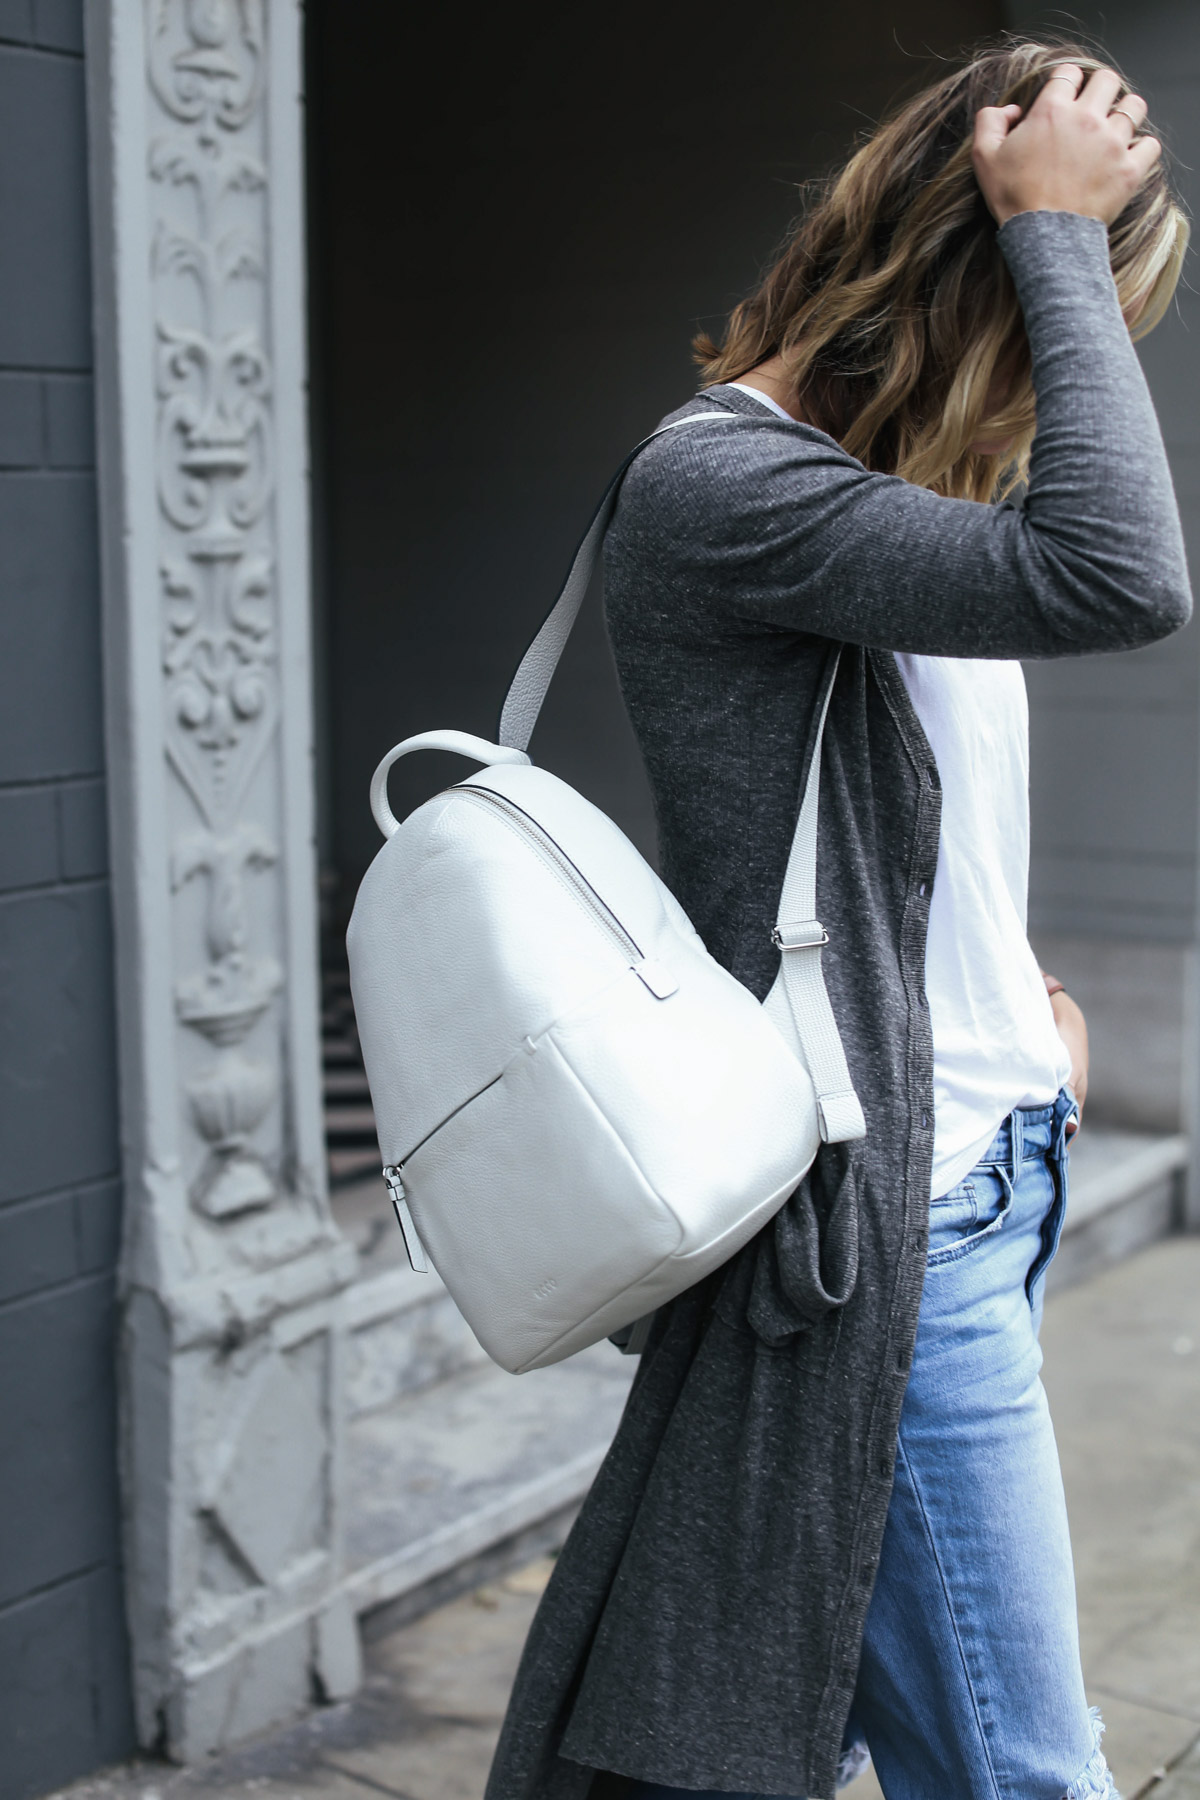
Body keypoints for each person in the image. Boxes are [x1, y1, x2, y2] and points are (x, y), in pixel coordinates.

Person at [485, 36, 1191, 1800]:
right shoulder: (731, 488)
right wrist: (1052, 230)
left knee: (932, 1736)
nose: (1074, 376)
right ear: (984, 268)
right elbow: (1124, 574)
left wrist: (1022, 1010)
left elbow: (902, 821)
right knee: (1031, 1773)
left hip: (986, 1158)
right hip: (898, 1226)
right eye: (1074, 317)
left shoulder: (882, 505)